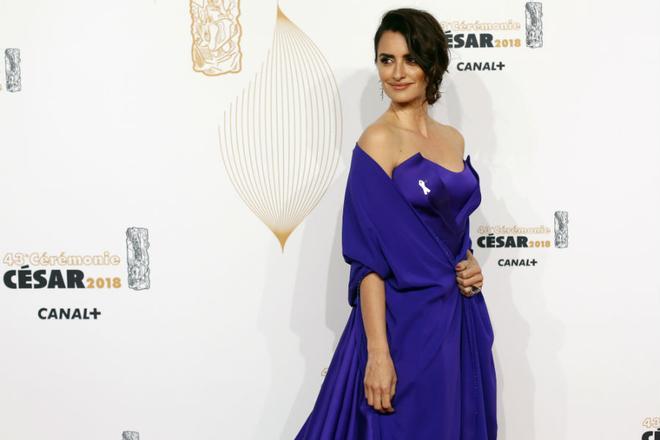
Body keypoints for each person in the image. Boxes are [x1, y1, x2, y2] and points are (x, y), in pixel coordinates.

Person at [295, 8, 497, 439]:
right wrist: (378, 353)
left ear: (432, 63)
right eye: (386, 60)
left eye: (410, 59)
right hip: (403, 327)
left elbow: (447, 229)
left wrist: (469, 262)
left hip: (459, 318)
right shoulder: (377, 141)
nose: (397, 73)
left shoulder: (453, 139)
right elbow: (368, 259)